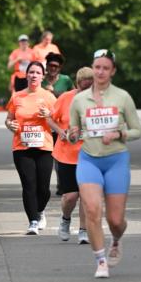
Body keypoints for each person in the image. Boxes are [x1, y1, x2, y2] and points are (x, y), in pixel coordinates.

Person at [69, 48, 141, 278]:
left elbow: (137, 130)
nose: (100, 72)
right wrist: (72, 134)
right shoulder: (79, 100)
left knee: (115, 220)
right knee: (92, 209)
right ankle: (101, 261)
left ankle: (116, 239)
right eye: (97, 67)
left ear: (113, 71)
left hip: (116, 160)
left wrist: (119, 134)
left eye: (105, 68)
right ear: (93, 68)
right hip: (89, 160)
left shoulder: (122, 97)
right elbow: (73, 132)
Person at [5, 61, 57, 234]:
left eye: (37, 73)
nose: (34, 75)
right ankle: (33, 221)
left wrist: (49, 115)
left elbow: (59, 119)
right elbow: (9, 119)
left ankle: (40, 211)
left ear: (42, 76)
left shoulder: (49, 97)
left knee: (44, 189)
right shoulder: (17, 96)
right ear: (26, 75)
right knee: (29, 185)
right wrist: (10, 125)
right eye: (31, 72)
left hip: (44, 147)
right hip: (22, 147)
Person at [49, 67, 94, 244]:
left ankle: (83, 230)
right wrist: (60, 131)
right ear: (77, 84)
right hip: (66, 155)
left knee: (85, 195)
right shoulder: (65, 98)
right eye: (84, 87)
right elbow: (50, 118)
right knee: (70, 196)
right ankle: (65, 219)